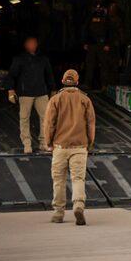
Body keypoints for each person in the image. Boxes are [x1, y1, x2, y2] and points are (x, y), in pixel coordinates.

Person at [44, 69, 95, 226]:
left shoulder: (55, 99)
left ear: (62, 81)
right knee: (78, 178)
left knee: (58, 180)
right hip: (80, 146)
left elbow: (49, 123)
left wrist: (48, 142)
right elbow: (91, 123)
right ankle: (78, 205)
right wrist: (89, 143)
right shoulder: (85, 99)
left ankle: (58, 213)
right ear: (77, 82)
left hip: (60, 146)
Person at [7, 36, 55, 154]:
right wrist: (11, 90)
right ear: (25, 45)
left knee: (46, 118)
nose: (32, 45)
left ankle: (44, 143)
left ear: (37, 45)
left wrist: (53, 90)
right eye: (29, 43)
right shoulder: (19, 59)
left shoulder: (43, 59)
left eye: (34, 43)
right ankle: (27, 144)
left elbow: (49, 75)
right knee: (24, 118)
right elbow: (12, 75)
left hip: (41, 92)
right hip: (25, 93)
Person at [83, 0, 114, 89]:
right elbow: (86, 30)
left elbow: (109, 31)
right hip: (91, 44)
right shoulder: (90, 17)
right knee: (90, 65)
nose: (98, 9)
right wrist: (85, 42)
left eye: (100, 7)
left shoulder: (106, 18)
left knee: (104, 65)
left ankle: (104, 84)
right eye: (96, 7)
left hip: (102, 44)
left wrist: (108, 44)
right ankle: (87, 83)